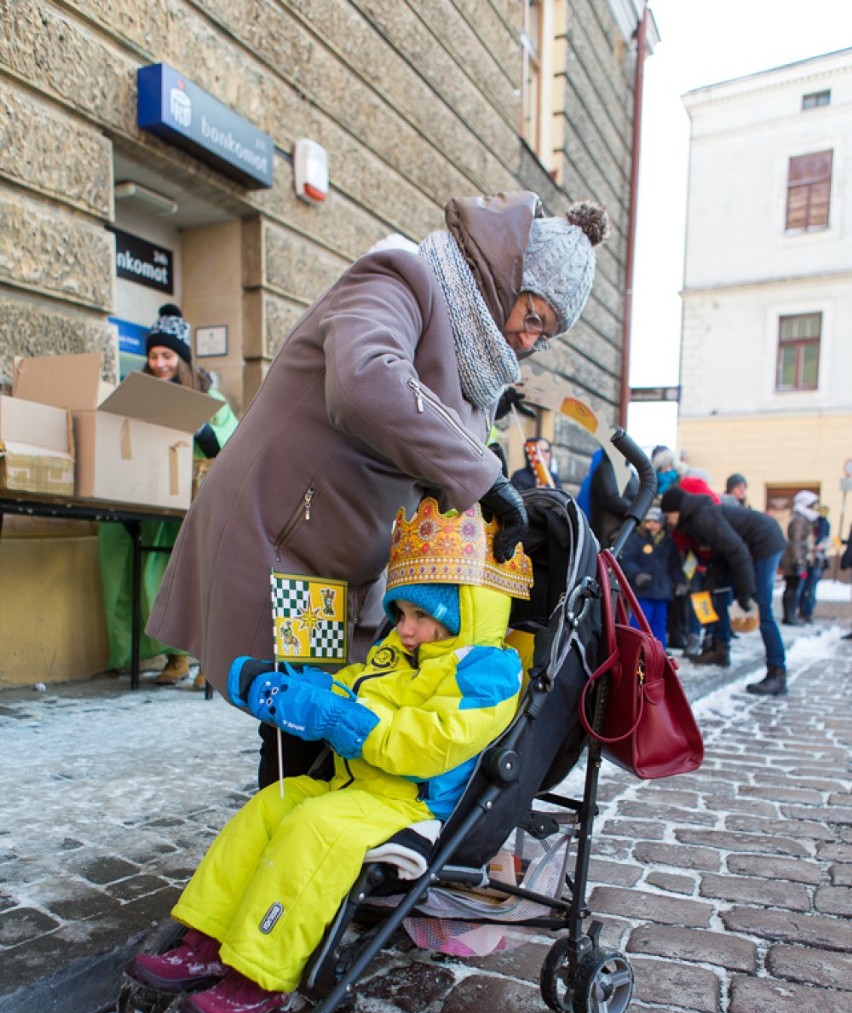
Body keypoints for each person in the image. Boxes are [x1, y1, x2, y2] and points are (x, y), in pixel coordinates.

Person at [146, 191, 609, 783]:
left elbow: (443, 451)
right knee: (297, 718)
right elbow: (365, 381)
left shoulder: (479, 363)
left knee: (323, 717)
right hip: (284, 538)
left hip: (344, 566)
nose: (528, 341)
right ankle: (288, 847)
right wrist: (482, 473)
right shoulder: (402, 277)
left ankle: (305, 839)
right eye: (535, 318)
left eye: (544, 335)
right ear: (509, 277)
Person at [124, 500, 531, 1013]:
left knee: (310, 831)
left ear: (464, 614)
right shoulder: (396, 655)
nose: (405, 630)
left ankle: (260, 975)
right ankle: (206, 939)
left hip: (413, 805)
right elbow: (350, 685)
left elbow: (430, 744)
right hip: (356, 788)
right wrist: (291, 685)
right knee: (270, 806)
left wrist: (343, 721)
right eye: (401, 614)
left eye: (422, 617)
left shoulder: (488, 674)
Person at [97, 305, 239, 689]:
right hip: (155, 505)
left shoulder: (209, 397)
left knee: (198, 583)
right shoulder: (139, 392)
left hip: (198, 506)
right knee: (154, 583)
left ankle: (210, 660)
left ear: (181, 358)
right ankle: (176, 658)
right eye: (154, 355)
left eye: (167, 355)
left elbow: (231, 447)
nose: (159, 363)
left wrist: (204, 433)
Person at [659, 485, 755, 669]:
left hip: (710, 564)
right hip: (700, 563)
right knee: (702, 601)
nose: (667, 520)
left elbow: (732, 548)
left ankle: (711, 641)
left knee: (713, 601)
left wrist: (745, 592)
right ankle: (706, 640)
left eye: (669, 515)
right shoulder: (688, 517)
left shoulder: (701, 515)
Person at [718, 499, 788, 696]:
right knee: (761, 607)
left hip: (766, 546)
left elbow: (739, 555)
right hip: (763, 545)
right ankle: (776, 671)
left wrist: (745, 593)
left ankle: (777, 674)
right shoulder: (717, 513)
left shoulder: (710, 515)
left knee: (762, 608)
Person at [620, 507, 683, 647]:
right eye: (648, 521)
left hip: (662, 591)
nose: (652, 525)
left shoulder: (668, 542)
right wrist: (637, 574)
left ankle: (659, 652)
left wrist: (679, 581)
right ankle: (635, 649)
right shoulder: (636, 539)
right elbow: (627, 560)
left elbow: (675, 565)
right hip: (643, 590)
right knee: (639, 623)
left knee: (660, 624)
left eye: (655, 521)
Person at [781, 491, 820, 627]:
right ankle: (789, 616)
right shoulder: (798, 519)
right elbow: (795, 542)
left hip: (799, 557)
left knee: (795, 587)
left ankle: (791, 615)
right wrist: (797, 560)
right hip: (794, 558)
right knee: (793, 587)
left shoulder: (804, 518)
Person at [799, 504, 831, 623]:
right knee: (804, 587)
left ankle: (806, 612)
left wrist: (820, 547)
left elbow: (825, 541)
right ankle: (803, 611)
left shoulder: (824, 524)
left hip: (815, 561)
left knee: (810, 588)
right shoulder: (809, 523)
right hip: (807, 561)